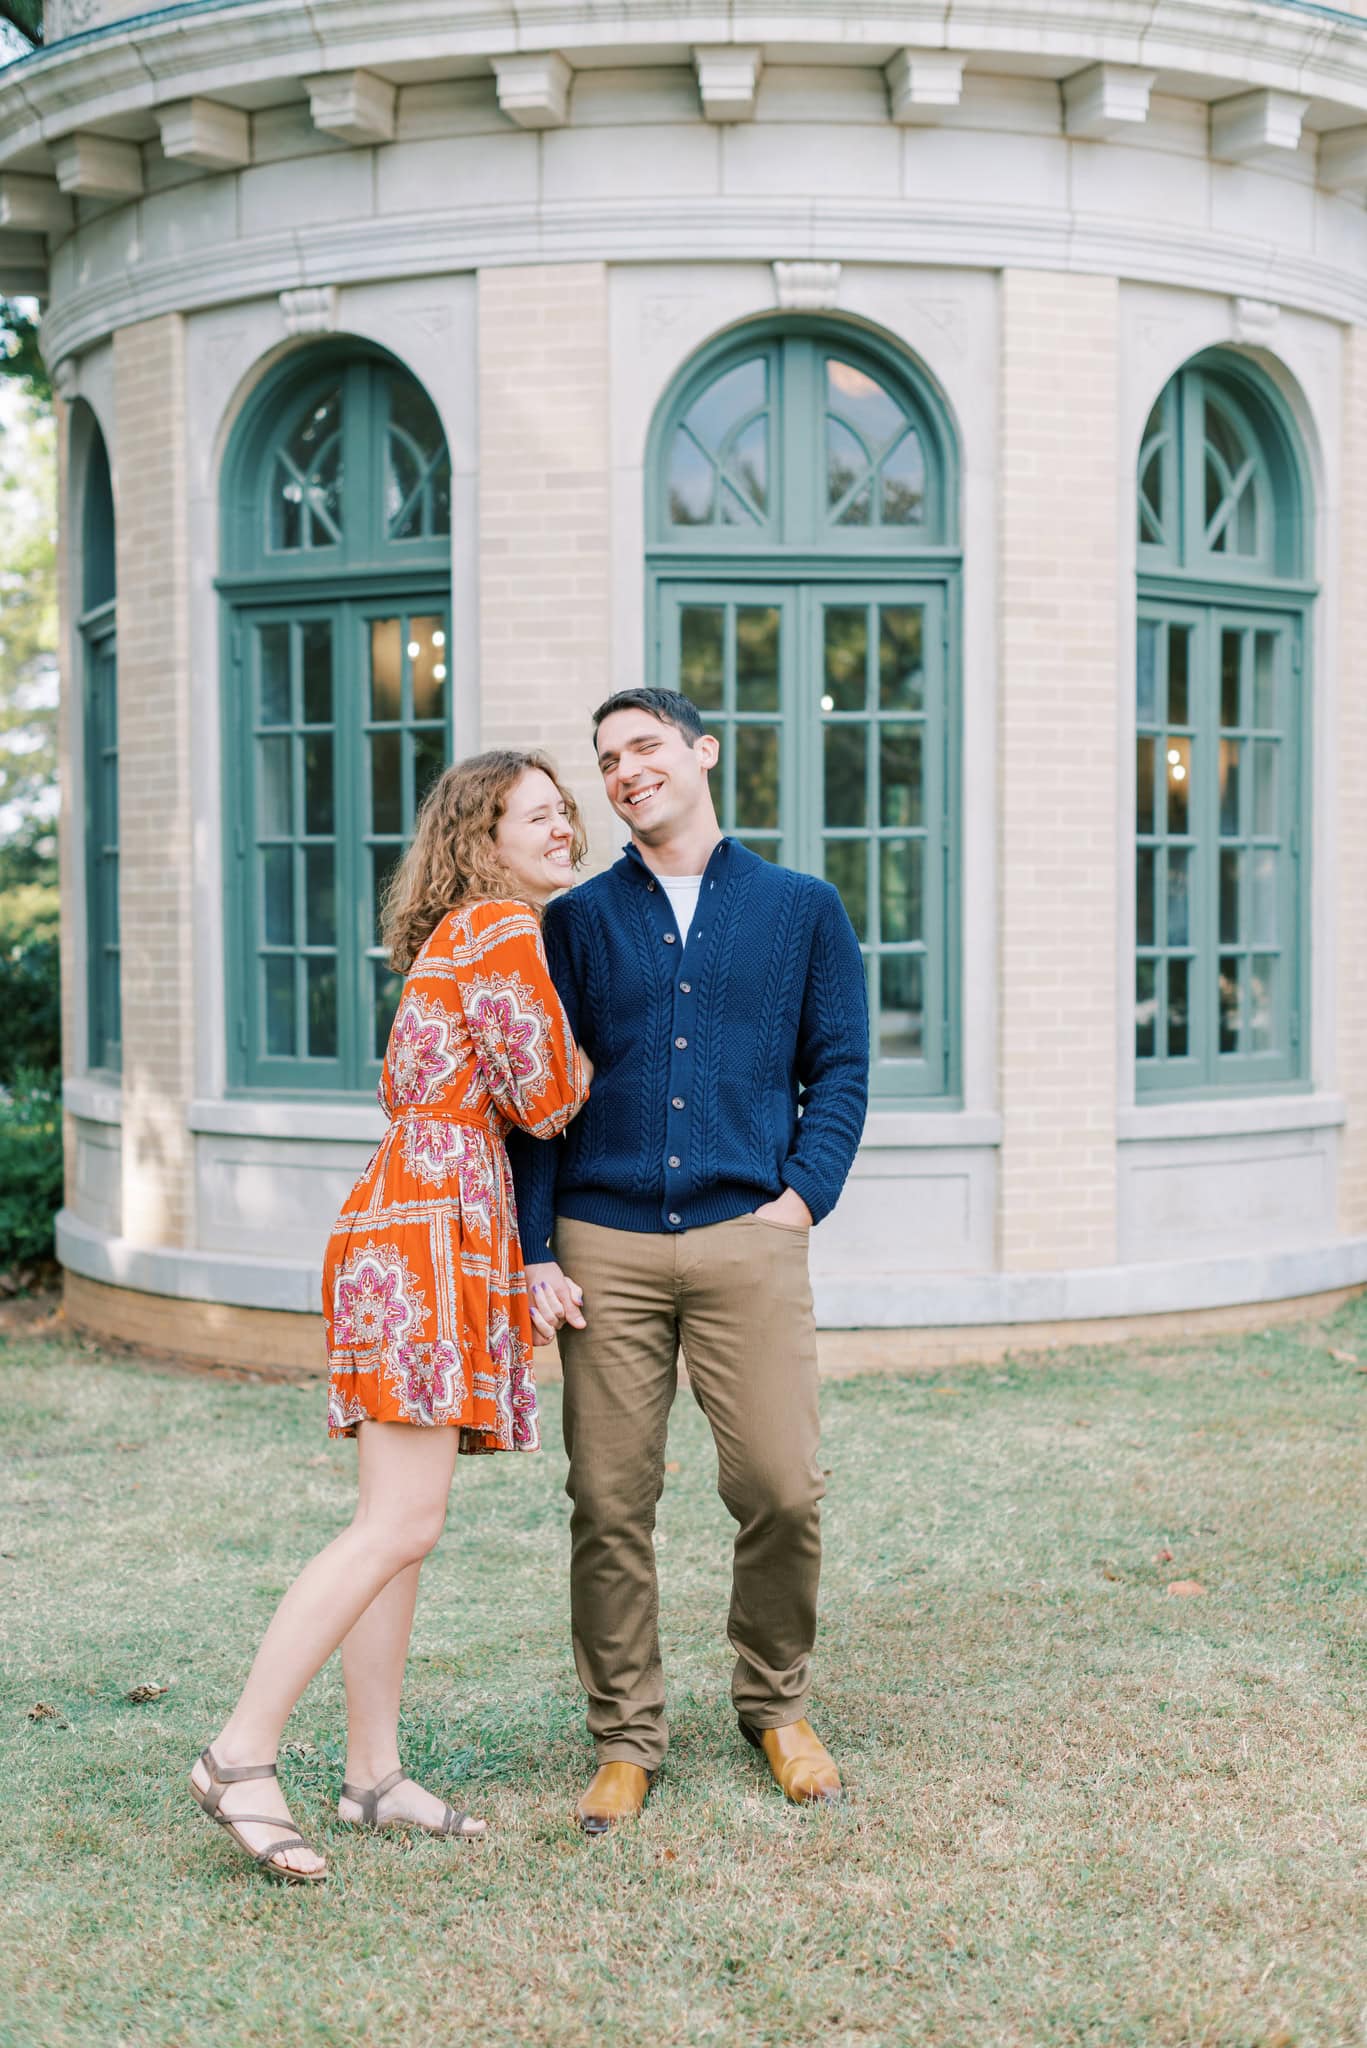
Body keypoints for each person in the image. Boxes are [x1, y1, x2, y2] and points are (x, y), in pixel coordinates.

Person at [190, 751, 590, 1883]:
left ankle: (373, 1775)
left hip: (410, 1217)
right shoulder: (505, 932)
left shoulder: (448, 935)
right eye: (539, 817)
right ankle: (239, 1752)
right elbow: (546, 1095)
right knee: (397, 1525)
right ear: (483, 835)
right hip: (431, 1231)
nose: (565, 830)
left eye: (568, 813)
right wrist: (602, 1046)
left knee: (397, 1521)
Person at [508, 688, 868, 1835]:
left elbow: (842, 1066)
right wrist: (532, 1247)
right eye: (607, 759)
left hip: (744, 1236)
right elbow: (534, 1101)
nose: (623, 771)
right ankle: (624, 1735)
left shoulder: (800, 908)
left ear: (702, 752)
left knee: (779, 1483)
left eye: (644, 747)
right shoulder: (572, 921)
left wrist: (801, 1198)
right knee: (608, 1496)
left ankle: (773, 1701)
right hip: (602, 1242)